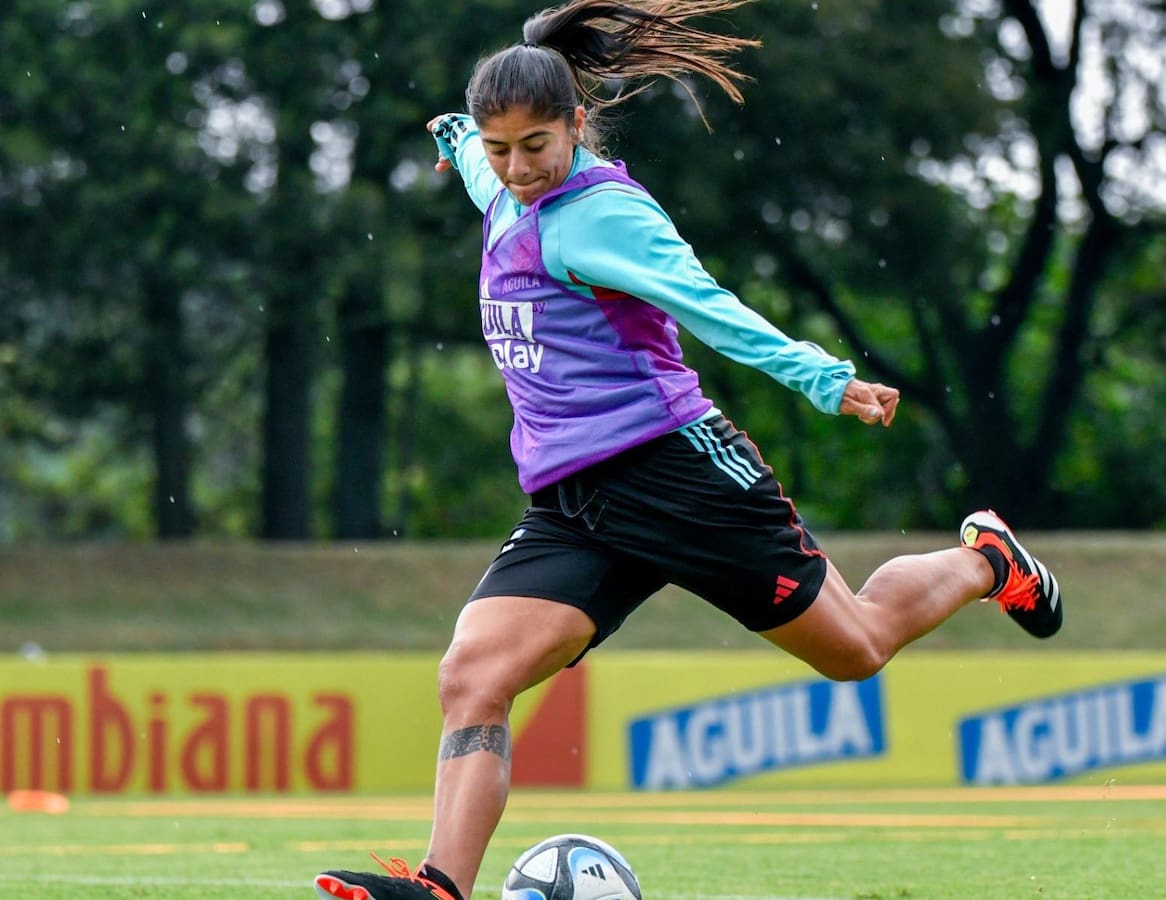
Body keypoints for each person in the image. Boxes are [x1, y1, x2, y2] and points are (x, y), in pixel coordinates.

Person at [314, 2, 1063, 898]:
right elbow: (476, 156)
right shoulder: (497, 175)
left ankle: (986, 561)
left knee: (855, 649)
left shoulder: (605, 218)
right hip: (575, 503)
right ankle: (442, 886)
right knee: (471, 675)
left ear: (578, 124)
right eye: (498, 146)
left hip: (677, 471)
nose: (517, 168)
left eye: (537, 147)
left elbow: (710, 306)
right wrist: (452, 133)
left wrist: (824, 378)